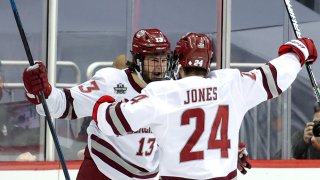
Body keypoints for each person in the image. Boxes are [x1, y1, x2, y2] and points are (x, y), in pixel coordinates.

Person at [92, 33, 317, 179]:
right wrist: (299, 51)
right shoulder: (231, 84)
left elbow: (113, 122)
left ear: (178, 62)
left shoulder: (163, 93)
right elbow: (274, 77)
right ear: (208, 62)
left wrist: (102, 102)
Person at [22, 28, 171, 179]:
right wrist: (42, 92)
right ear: (138, 60)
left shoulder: (171, 90)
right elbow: (64, 104)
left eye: (163, 60)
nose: (160, 67)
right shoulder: (110, 82)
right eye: (153, 60)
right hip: (103, 171)